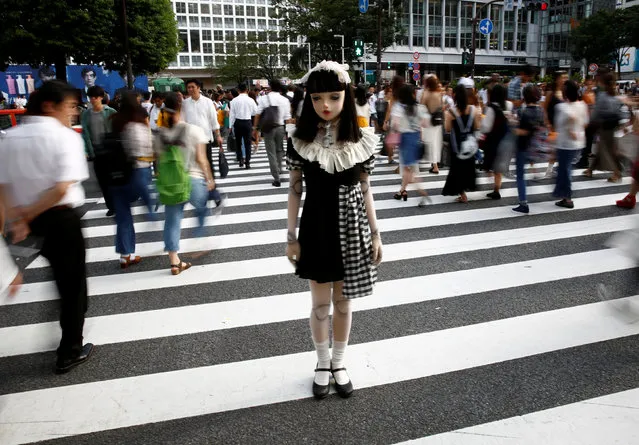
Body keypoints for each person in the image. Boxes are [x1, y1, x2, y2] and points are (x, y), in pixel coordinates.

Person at [287, 61, 382, 400]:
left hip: (351, 225)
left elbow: (366, 188)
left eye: (333, 97)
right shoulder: (301, 140)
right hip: (315, 226)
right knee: (319, 304)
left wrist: (375, 233)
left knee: (343, 303)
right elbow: (296, 190)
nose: (324, 105)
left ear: (346, 96)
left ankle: (339, 363)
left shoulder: (361, 140)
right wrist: (291, 236)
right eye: (316, 98)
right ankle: (322, 363)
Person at [0, 80, 93, 373]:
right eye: (69, 106)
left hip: (21, 224)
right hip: (61, 220)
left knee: (10, 278)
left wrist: (16, 219)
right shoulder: (65, 137)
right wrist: (27, 214)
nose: (73, 113)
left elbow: (3, 186)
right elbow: (61, 188)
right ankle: (70, 351)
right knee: (72, 287)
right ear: (49, 106)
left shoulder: (9, 137)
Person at [154, 93, 216, 275]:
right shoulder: (194, 130)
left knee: (172, 220)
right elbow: (201, 159)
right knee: (203, 208)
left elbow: (157, 161)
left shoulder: (160, 134)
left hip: (172, 183)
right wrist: (210, 179)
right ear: (181, 108)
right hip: (194, 179)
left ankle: (174, 261)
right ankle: (199, 239)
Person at [109, 92, 156, 268]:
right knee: (148, 200)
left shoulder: (114, 120)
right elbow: (145, 149)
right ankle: (151, 212)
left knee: (123, 217)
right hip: (137, 172)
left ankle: (125, 255)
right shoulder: (136, 125)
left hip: (115, 175)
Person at [391, 84, 432, 207]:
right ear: (413, 94)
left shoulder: (398, 108)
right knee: (409, 168)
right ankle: (402, 191)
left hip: (405, 139)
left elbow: (396, 125)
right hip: (416, 138)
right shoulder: (420, 107)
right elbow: (425, 124)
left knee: (409, 169)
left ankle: (423, 193)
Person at [81, 85, 117, 216]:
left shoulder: (110, 112)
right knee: (102, 181)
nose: (92, 100)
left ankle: (117, 204)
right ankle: (111, 206)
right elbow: (85, 134)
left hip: (110, 151)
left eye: (95, 97)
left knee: (113, 180)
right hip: (95, 151)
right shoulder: (86, 114)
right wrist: (86, 150)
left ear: (101, 97)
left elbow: (117, 130)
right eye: (90, 97)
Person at [553, 80, 589, 209]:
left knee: (565, 170)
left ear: (565, 93)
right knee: (566, 169)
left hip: (565, 143)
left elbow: (559, 124)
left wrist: (570, 127)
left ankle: (567, 199)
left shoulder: (561, 107)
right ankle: (563, 195)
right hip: (579, 142)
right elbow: (585, 123)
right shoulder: (583, 105)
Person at [442, 84, 480, 203]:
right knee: (468, 167)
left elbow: (447, 128)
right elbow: (477, 126)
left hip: (457, 145)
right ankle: (465, 190)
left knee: (457, 169)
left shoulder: (451, 112)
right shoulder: (474, 110)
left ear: (455, 97)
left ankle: (462, 194)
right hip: (470, 144)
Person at [584, 72, 623, 182]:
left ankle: (617, 173)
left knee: (610, 151)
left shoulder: (603, 95)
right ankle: (590, 170)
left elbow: (596, 112)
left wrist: (591, 123)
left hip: (604, 126)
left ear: (604, 83)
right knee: (601, 148)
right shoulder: (615, 95)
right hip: (612, 125)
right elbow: (618, 111)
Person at [253, 79, 292, 186]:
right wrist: (289, 132)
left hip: (268, 128)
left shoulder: (264, 98)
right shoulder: (284, 100)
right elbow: (288, 118)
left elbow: (257, 114)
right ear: (280, 87)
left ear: (270, 87)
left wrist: (255, 128)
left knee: (271, 152)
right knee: (279, 150)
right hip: (280, 127)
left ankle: (276, 177)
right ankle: (279, 168)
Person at [512, 85, 544, 214]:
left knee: (520, 176)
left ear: (524, 97)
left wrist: (512, 126)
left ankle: (523, 203)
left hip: (522, 146)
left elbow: (522, 131)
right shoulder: (541, 111)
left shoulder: (523, 112)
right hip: (535, 146)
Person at [479, 83, 511, 199]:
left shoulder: (491, 108)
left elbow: (486, 127)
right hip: (506, 140)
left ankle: (495, 188)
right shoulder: (509, 105)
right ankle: (496, 189)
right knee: (499, 168)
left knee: (490, 164)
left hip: (494, 140)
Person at [420, 75, 444, 174]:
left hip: (429, 120)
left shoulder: (426, 94)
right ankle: (435, 164)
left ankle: (435, 166)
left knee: (430, 143)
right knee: (436, 143)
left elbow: (421, 108)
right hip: (438, 120)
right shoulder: (439, 94)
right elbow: (442, 107)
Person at [229, 83, 258, 169]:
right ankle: (247, 162)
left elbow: (232, 114)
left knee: (238, 142)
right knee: (247, 143)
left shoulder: (233, 101)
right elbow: (255, 112)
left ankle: (240, 159)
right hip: (247, 122)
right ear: (247, 90)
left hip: (237, 122)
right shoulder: (251, 100)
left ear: (238, 90)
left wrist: (230, 126)